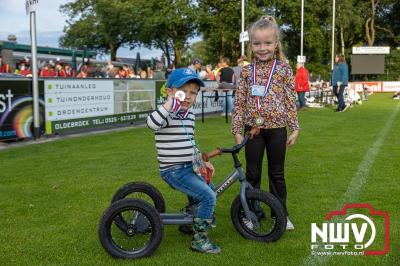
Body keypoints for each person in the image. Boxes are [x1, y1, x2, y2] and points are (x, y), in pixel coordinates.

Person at [232, 15, 299, 231]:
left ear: (276, 43)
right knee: (252, 174)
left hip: (277, 129)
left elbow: (290, 100)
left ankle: (281, 214)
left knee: (277, 174)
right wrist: (237, 131)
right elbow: (239, 103)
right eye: (257, 43)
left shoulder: (283, 69)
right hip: (253, 130)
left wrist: (295, 127)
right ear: (251, 45)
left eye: (267, 43)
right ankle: (252, 214)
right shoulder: (245, 72)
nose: (262, 48)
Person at [146, 68, 220, 254]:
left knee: (210, 190)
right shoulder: (166, 115)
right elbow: (151, 124)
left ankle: (190, 223)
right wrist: (170, 103)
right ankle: (200, 240)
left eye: (193, 92)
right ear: (171, 90)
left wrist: (203, 162)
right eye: (183, 91)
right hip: (173, 171)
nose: (188, 96)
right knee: (208, 197)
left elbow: (191, 143)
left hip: (189, 167)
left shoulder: (190, 116)